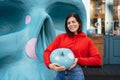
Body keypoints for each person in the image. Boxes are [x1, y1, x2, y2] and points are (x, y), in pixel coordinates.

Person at [44, 13, 102, 80]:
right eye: (68, 23)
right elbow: (47, 51)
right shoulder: (61, 38)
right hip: (60, 74)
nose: (71, 24)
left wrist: (78, 60)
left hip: (76, 75)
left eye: (73, 22)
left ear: (79, 23)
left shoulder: (87, 40)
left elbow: (97, 60)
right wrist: (49, 65)